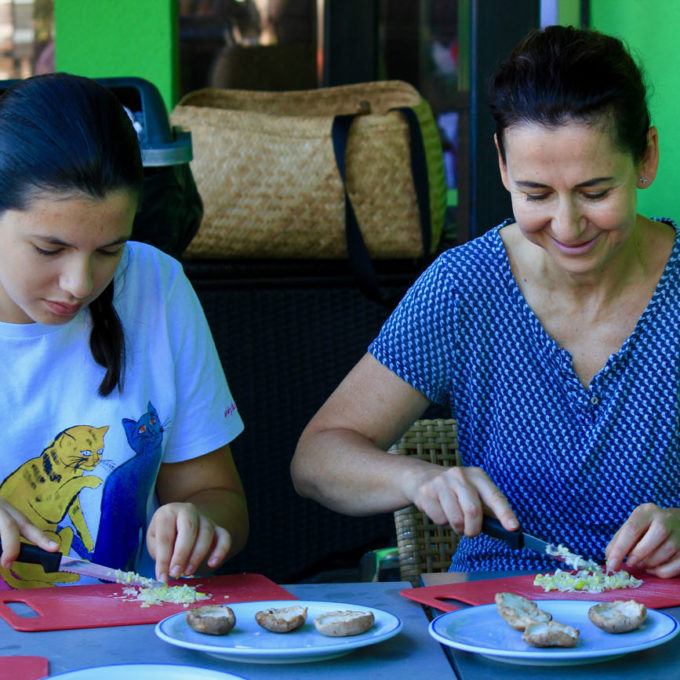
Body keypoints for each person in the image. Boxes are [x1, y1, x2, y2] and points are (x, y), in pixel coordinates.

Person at [291, 24, 680, 578]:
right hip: (498, 623)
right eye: (535, 194)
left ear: (646, 157)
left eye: (595, 193)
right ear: (501, 164)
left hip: (660, 622)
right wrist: (415, 479)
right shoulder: (465, 287)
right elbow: (317, 458)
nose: (567, 226)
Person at [0, 73, 248, 588]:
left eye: (111, 250)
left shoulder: (155, 284)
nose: (79, 283)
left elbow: (218, 497)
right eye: (50, 249)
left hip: (123, 632)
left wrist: (197, 525)